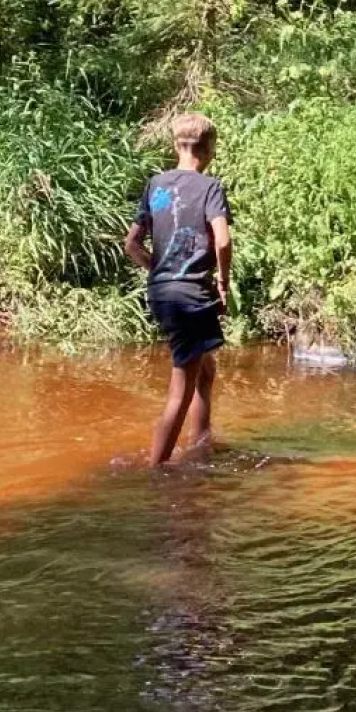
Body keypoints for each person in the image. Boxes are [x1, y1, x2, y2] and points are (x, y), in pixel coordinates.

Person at [124, 113, 233, 466]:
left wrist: (160, 270)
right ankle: (157, 470)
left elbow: (131, 244)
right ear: (209, 148)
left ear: (176, 146)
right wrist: (223, 282)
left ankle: (200, 446)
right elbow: (223, 240)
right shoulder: (209, 187)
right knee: (179, 392)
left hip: (161, 293)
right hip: (191, 296)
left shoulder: (156, 184)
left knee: (205, 370)